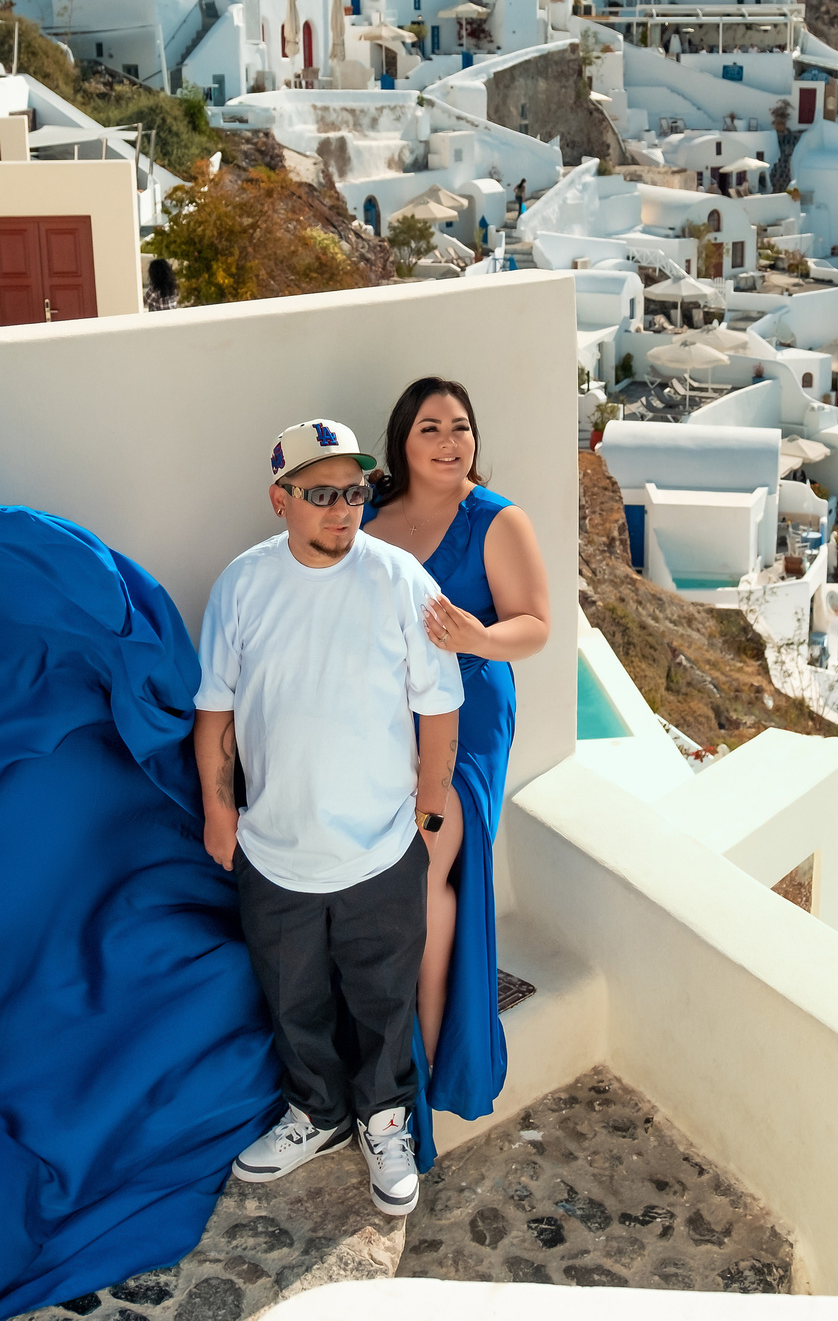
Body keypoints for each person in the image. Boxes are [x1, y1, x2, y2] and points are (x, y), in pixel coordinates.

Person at [196, 418, 462, 1218]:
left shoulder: (401, 579)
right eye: (320, 494)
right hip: (275, 850)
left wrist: (427, 814)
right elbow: (217, 713)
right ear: (280, 499)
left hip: (382, 849)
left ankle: (385, 1121)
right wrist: (220, 814)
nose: (342, 509)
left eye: (353, 491)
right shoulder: (241, 585)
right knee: (293, 997)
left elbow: (440, 709)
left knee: (383, 999)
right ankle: (316, 1111)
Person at [363, 378, 548, 1157]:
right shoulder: (372, 519)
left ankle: (417, 1075)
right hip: (383, 717)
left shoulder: (497, 521)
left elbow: (536, 626)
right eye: (432, 427)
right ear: (404, 440)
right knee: (401, 883)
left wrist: (478, 636)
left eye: (462, 427)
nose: (450, 441)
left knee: (425, 868)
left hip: (469, 714)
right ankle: (397, 1066)